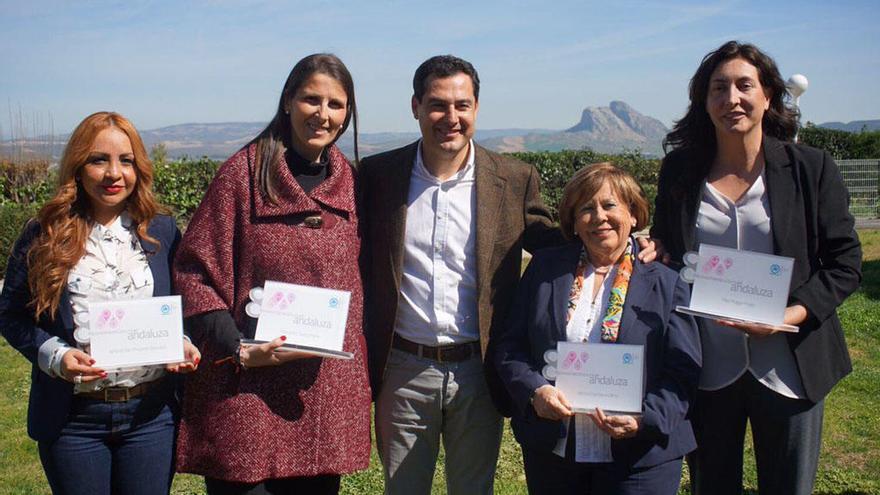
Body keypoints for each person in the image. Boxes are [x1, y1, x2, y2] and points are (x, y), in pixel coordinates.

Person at [651, 41, 862, 495]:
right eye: (718, 88)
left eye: (745, 85)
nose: (732, 99)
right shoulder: (680, 171)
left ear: (768, 95)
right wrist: (657, 253)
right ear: (704, 102)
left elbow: (845, 263)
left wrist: (789, 316)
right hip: (706, 363)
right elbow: (666, 247)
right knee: (712, 484)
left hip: (790, 365)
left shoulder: (810, 168)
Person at [359, 54, 565, 495]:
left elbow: (551, 243)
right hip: (402, 368)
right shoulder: (378, 176)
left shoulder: (512, 178)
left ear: (475, 108)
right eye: (437, 104)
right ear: (415, 106)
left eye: (462, 105)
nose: (450, 118)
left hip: (479, 369)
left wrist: (626, 240)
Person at [173, 53, 370, 495]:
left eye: (336, 104)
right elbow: (193, 274)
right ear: (287, 102)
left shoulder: (354, 186)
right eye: (310, 99)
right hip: (246, 397)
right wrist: (238, 348)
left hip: (321, 400)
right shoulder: (241, 178)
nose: (323, 114)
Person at [0, 111, 199, 495]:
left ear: (139, 168)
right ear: (77, 166)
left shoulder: (161, 230)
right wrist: (54, 355)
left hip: (151, 418)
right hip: (74, 421)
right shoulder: (43, 233)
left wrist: (183, 342)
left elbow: (180, 305)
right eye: (98, 160)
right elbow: (10, 314)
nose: (114, 173)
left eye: (125, 161)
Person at [493, 163, 701, 494]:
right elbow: (510, 346)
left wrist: (643, 419)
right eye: (586, 208)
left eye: (610, 205)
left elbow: (682, 371)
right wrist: (535, 391)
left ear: (634, 214)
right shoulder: (545, 270)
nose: (599, 217)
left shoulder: (667, 282)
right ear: (574, 222)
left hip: (640, 457)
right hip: (555, 452)